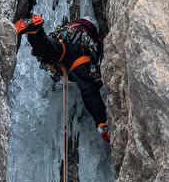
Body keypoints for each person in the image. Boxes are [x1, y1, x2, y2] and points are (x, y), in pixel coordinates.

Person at [13, 14, 110, 143]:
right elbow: (89, 89)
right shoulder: (84, 45)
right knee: (87, 84)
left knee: (50, 49)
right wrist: (101, 121)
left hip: (63, 38)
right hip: (75, 47)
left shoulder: (74, 31)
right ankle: (102, 124)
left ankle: (35, 32)